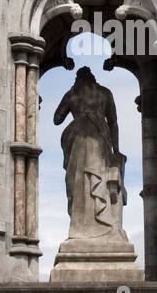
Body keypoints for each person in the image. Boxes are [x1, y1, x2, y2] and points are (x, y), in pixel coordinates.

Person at [53, 67, 128, 239]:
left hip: (78, 134)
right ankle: (98, 223)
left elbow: (57, 119)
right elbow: (113, 123)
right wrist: (116, 150)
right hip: (98, 134)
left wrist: (72, 99)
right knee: (93, 178)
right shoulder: (105, 93)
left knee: (78, 181)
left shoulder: (72, 94)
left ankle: (83, 227)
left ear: (78, 80)